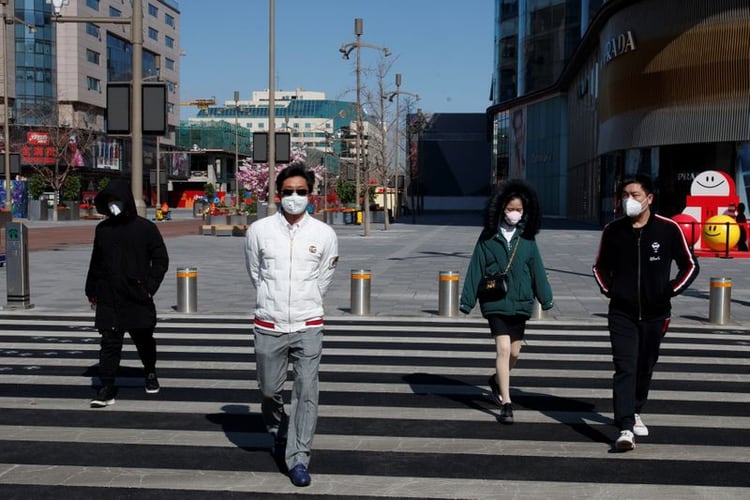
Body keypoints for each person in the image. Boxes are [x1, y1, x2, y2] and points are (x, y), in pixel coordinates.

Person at [244, 164, 338, 487]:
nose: (294, 197)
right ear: (278, 194)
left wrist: (306, 299)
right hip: (268, 323)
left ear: (310, 195)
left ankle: (299, 458)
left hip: (308, 323)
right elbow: (255, 272)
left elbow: (324, 277)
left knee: (306, 392)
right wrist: (271, 300)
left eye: (301, 191)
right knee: (269, 391)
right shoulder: (258, 231)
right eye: (288, 192)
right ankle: (280, 430)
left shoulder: (325, 234)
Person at [593, 174, 699, 452]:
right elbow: (599, 267)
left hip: (656, 313)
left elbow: (690, 265)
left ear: (649, 198)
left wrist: (670, 290)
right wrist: (611, 290)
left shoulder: (668, 229)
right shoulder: (613, 231)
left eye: (635, 195)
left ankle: (636, 407)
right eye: (625, 195)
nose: (630, 200)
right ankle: (625, 427)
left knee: (645, 366)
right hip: (622, 313)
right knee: (625, 367)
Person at [459, 179, 553, 424]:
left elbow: (537, 270)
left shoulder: (528, 239)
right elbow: (475, 268)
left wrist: (546, 297)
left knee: (515, 352)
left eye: (519, 209)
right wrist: (467, 301)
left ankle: (496, 380)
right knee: (502, 348)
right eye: (510, 208)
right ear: (501, 208)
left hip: (521, 302)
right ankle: (507, 402)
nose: (514, 213)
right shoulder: (488, 237)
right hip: (495, 301)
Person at [85, 178, 170, 408]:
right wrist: (91, 288)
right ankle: (106, 386)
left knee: (143, 341)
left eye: (116, 200)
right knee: (109, 343)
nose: (113, 205)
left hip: (137, 295)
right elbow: (96, 261)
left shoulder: (145, 228)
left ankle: (150, 372)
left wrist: (149, 287)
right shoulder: (103, 229)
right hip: (109, 296)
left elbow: (161, 259)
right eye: (108, 201)